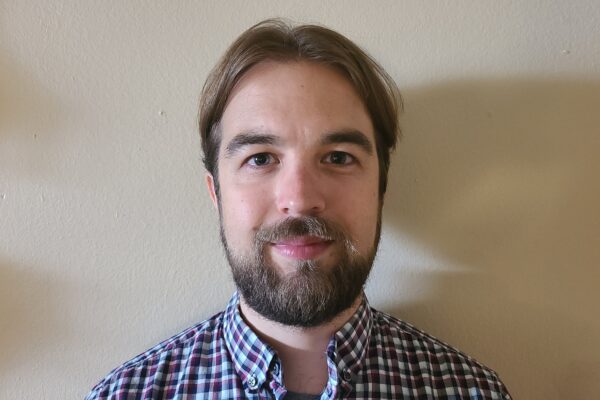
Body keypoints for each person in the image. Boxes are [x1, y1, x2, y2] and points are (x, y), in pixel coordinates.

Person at [86, 19, 512, 400]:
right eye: (260, 158)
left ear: (382, 185)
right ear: (215, 193)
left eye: (339, 157)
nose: (300, 197)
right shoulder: (125, 395)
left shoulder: (470, 391)